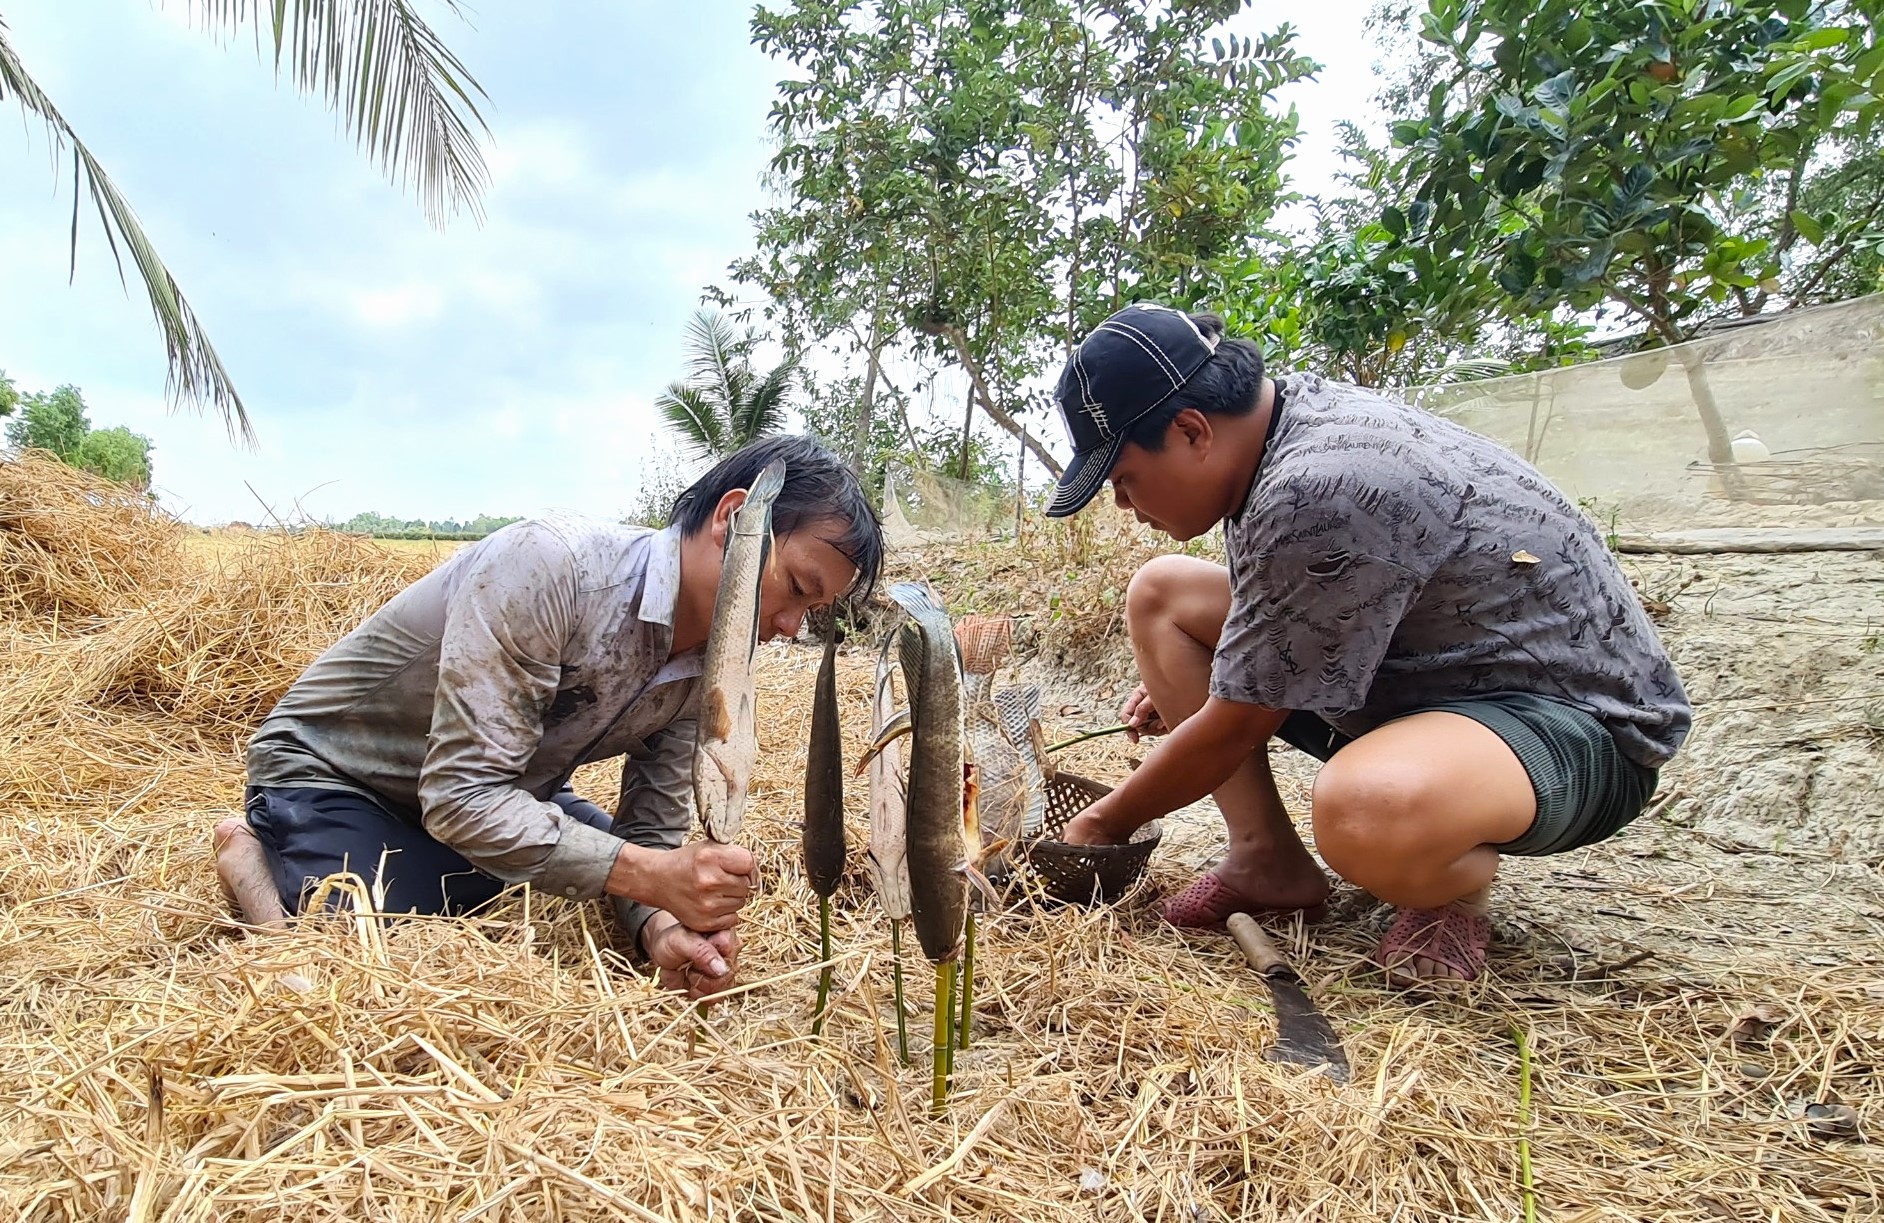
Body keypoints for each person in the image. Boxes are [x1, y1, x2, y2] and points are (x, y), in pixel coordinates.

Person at [1046, 303, 1690, 984]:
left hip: (1570, 729)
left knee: (1364, 806)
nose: (1123, 505)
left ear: (1190, 429)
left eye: (1123, 481)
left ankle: (1446, 884)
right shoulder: (1281, 426)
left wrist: (1101, 824)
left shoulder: (1318, 487)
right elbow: (1294, 612)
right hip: (1433, 682)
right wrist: (1227, 666)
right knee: (1164, 595)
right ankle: (1266, 861)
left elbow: (1236, 724)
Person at [214, 435, 883, 999]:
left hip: (501, 793)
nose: (793, 626)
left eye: (813, 613)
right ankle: (259, 864)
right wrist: (649, 875)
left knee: (583, 868)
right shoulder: (552, 567)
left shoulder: (710, 663)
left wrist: (660, 924)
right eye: (797, 588)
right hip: (339, 774)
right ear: (732, 518)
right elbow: (461, 796)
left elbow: (648, 828)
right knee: (393, 930)